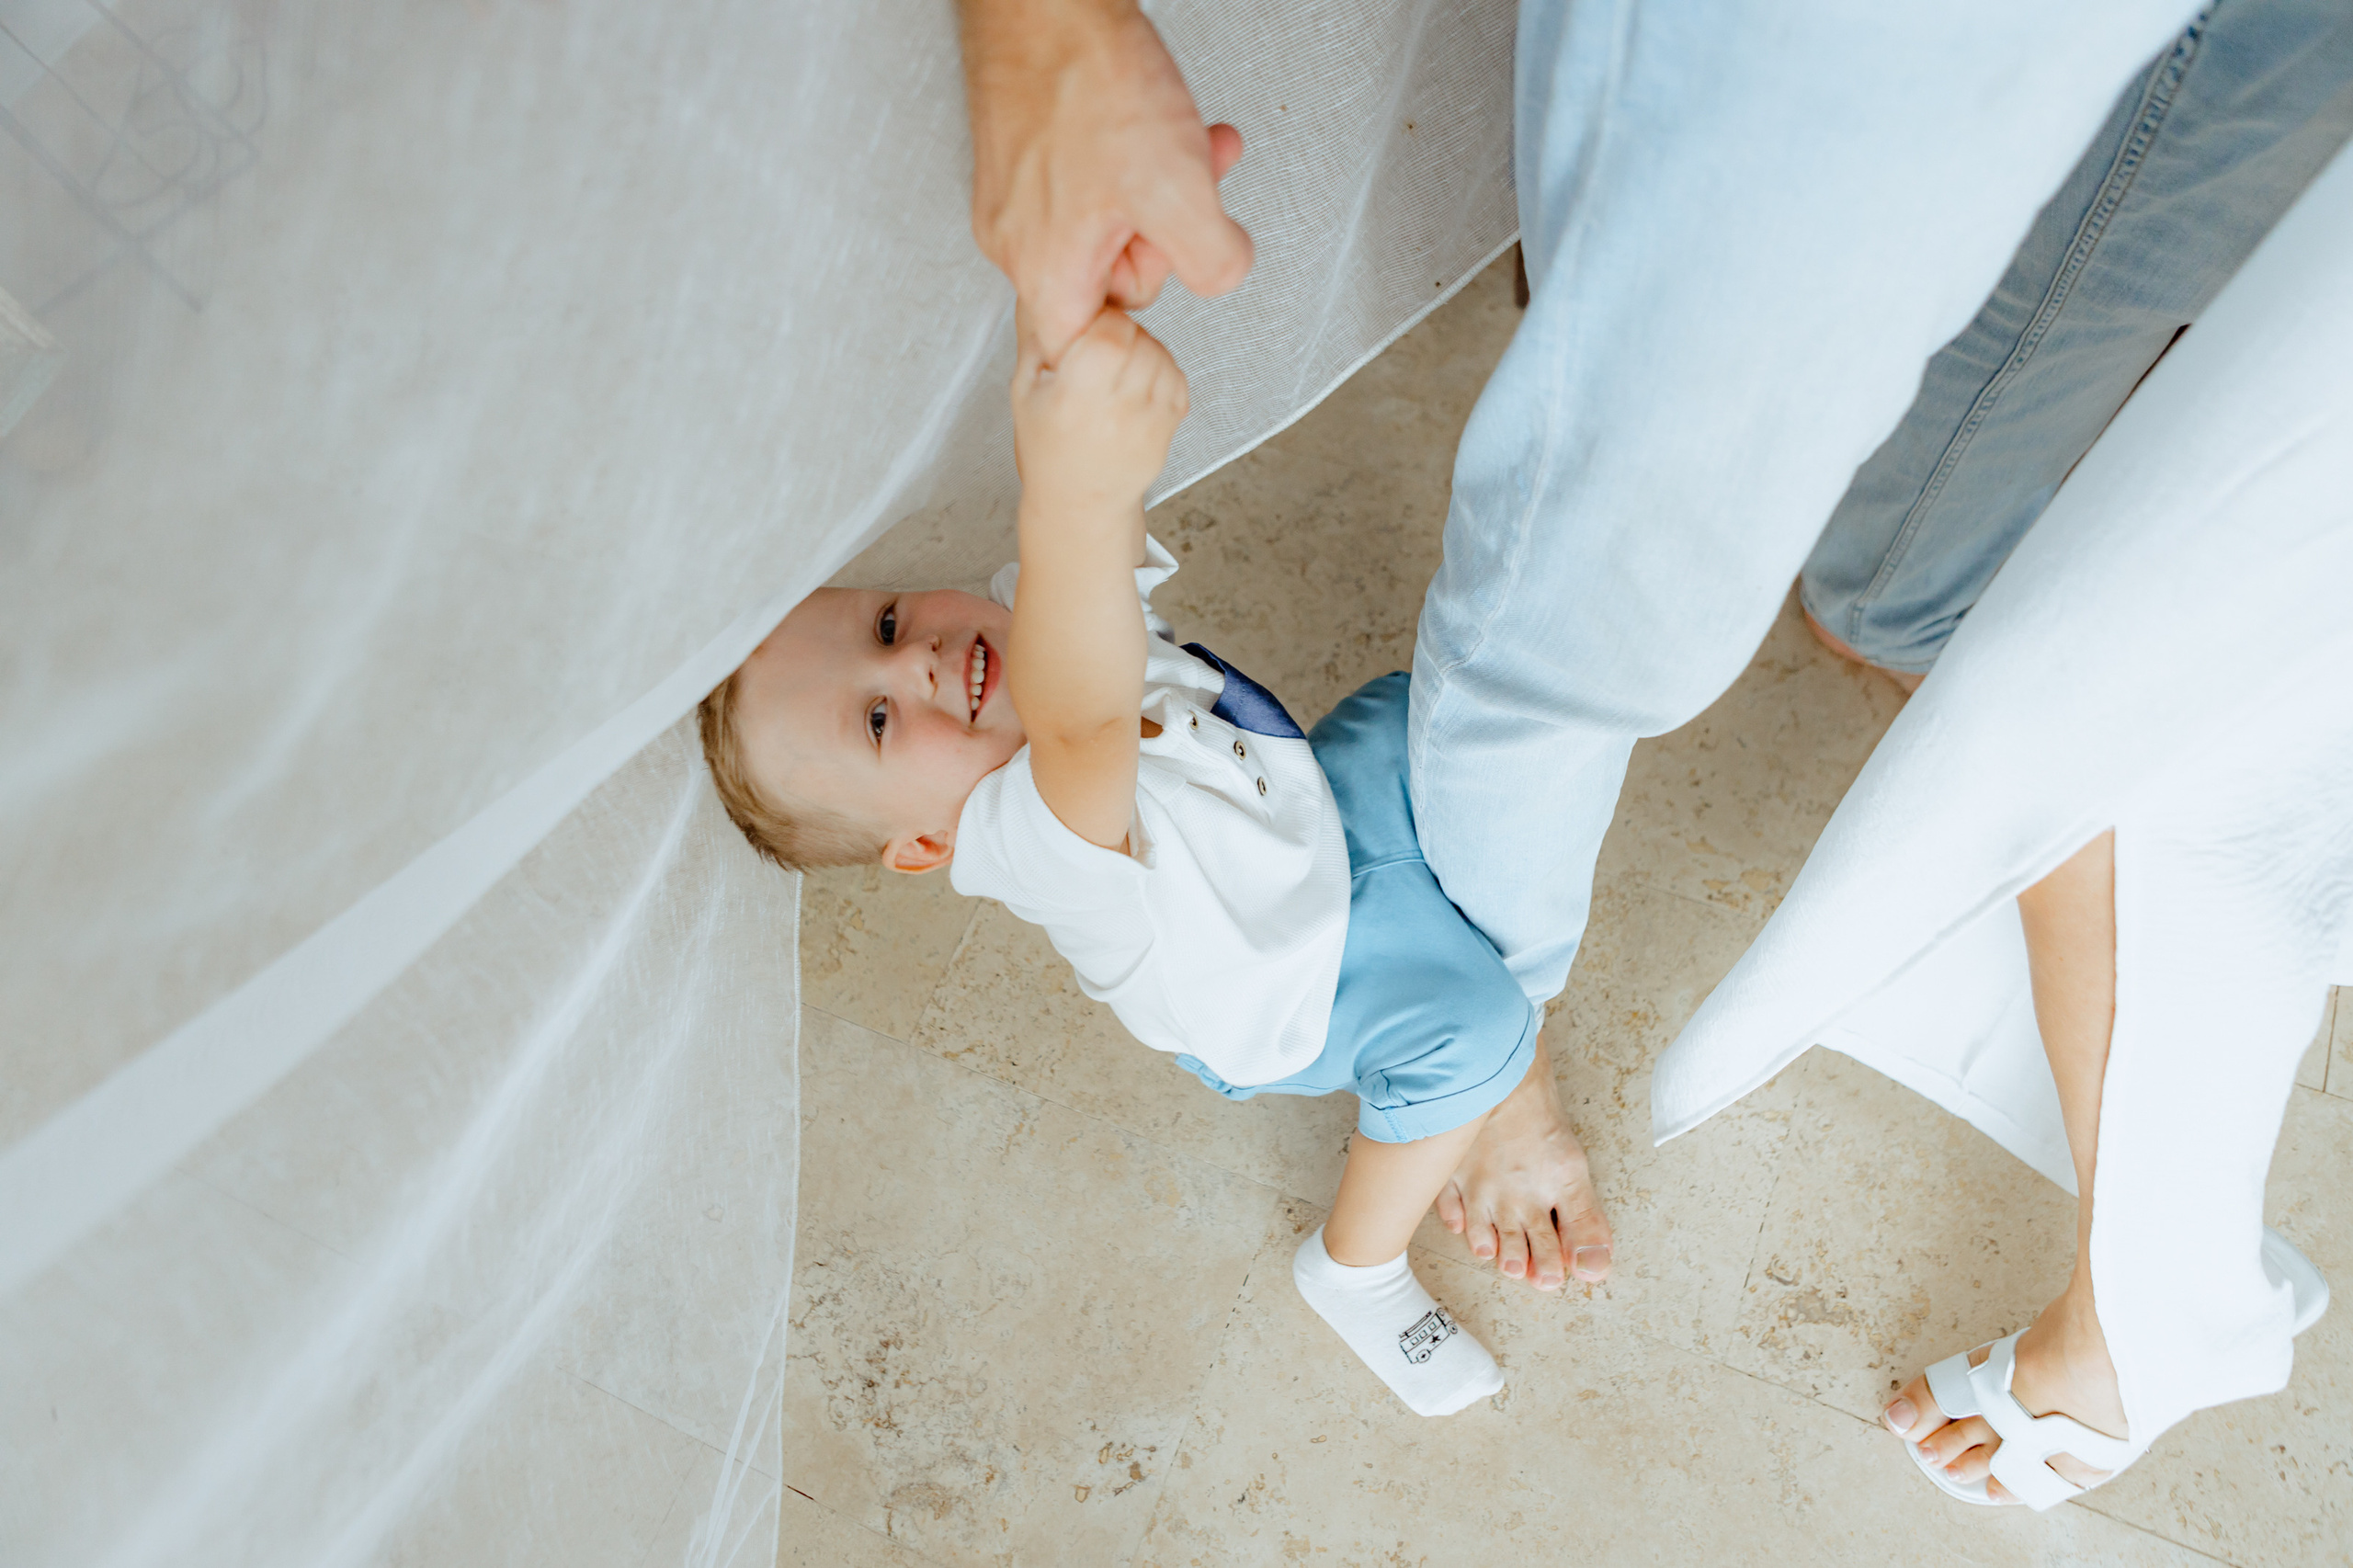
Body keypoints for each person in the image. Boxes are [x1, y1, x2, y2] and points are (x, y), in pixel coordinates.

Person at [698, 305, 1606, 1415]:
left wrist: (1081, 375)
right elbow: (1084, 716)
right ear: (927, 842)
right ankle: (1356, 1263)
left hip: (1304, 823)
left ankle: (1467, 1027)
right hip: (1295, 979)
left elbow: (1104, 548)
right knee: (1474, 1030)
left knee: (1423, 713)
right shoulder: (1021, 830)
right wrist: (1065, 488)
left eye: (884, 623)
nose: (918, 661)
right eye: (878, 721)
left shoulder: (1039, 619)